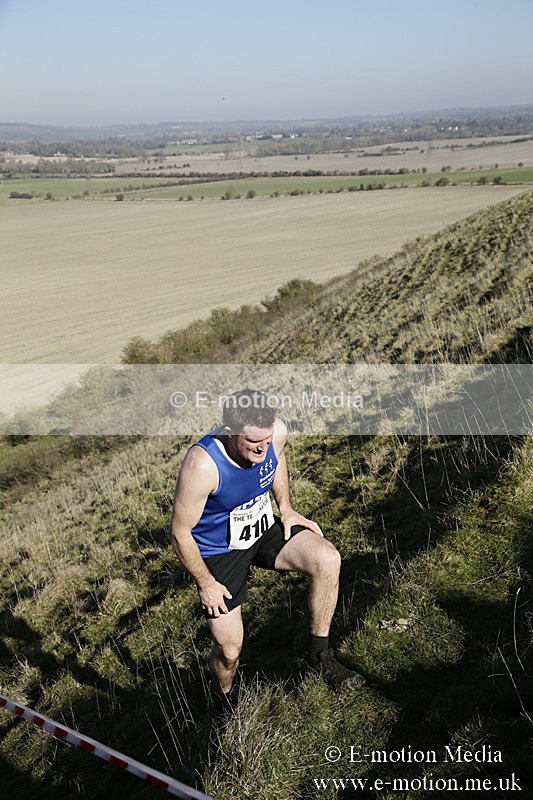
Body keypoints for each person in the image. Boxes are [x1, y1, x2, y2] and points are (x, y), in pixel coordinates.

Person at [170, 389, 365, 709]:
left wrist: (286, 507)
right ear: (230, 432)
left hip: (261, 529)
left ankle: (319, 657)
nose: (262, 448)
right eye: (253, 442)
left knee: (327, 558)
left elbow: (278, 457)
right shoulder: (203, 465)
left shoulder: (275, 434)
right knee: (229, 650)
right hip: (220, 551)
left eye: (266, 439)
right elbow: (179, 533)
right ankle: (224, 700)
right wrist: (205, 583)